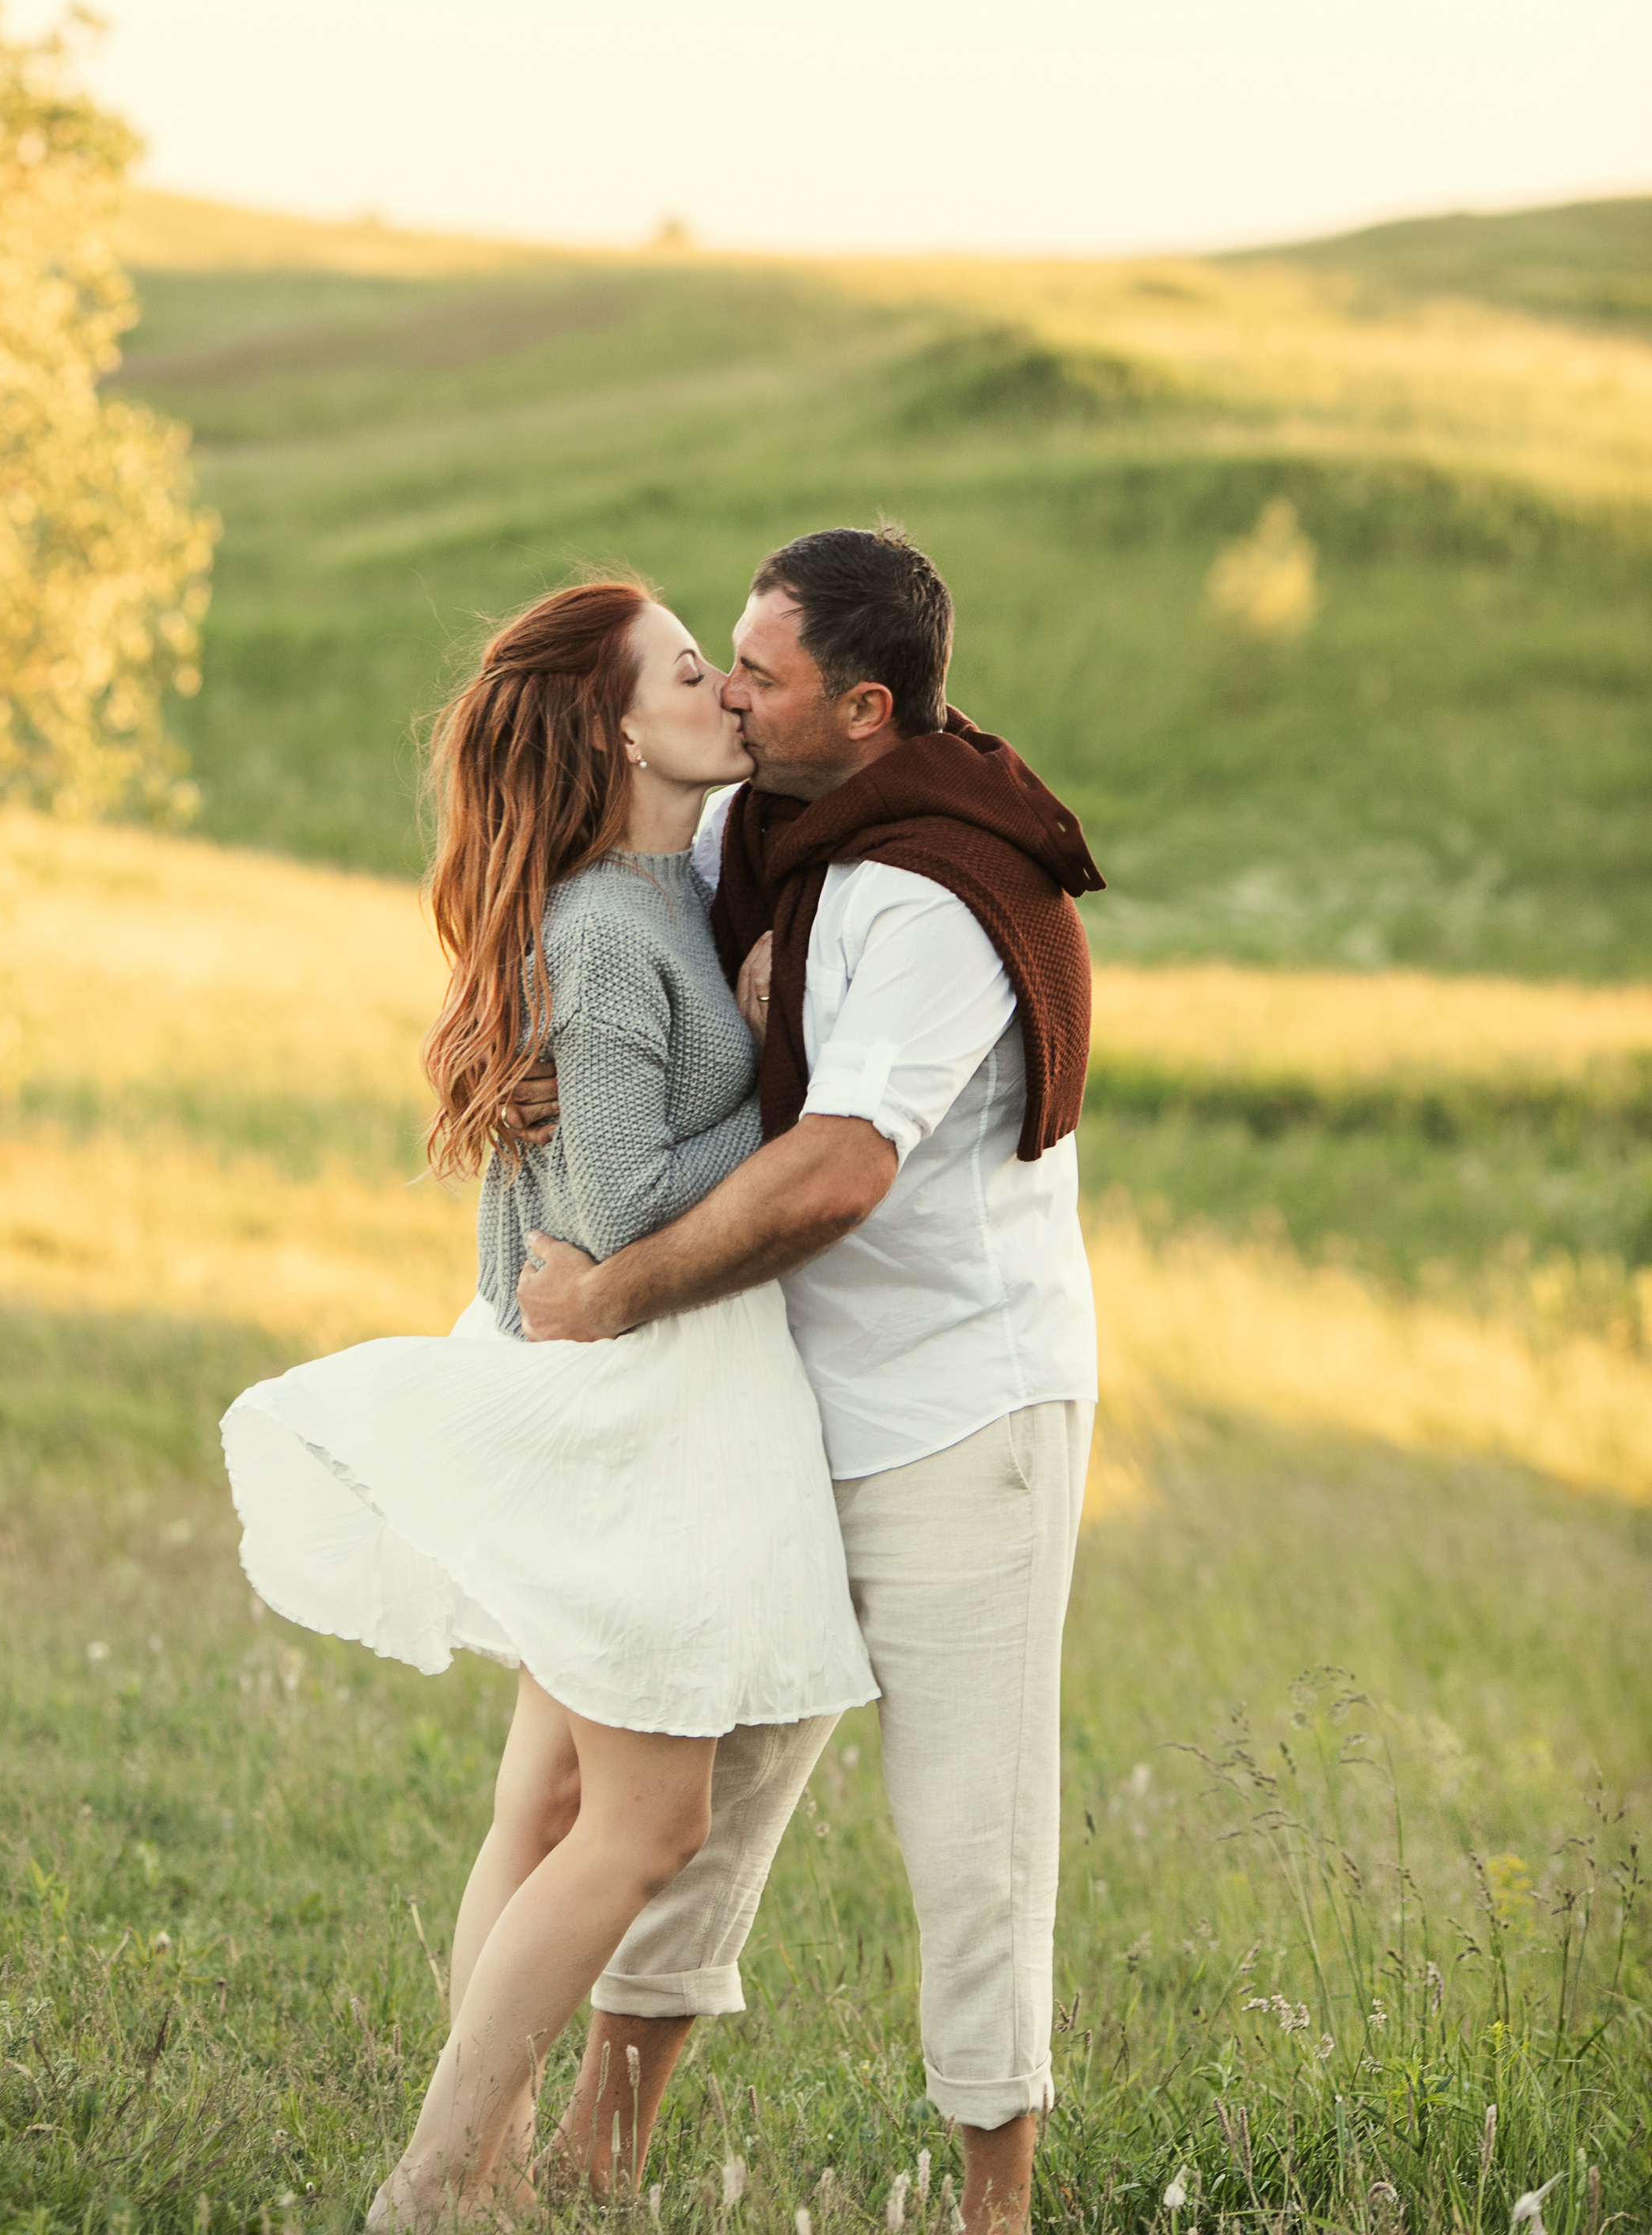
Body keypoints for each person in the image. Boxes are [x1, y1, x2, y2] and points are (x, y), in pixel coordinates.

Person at [219, 578, 877, 2225]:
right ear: (617, 732)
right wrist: (779, 1090)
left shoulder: (656, 895)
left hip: (637, 1391)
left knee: (549, 1805)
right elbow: (621, 1204)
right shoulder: (604, 928)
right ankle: (437, 2181)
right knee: (643, 1827)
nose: (728, 693)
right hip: (632, 1411)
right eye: (689, 672)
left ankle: (487, 2177)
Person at [517, 524, 1104, 2235]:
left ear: (863, 710)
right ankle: (594, 2161)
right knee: (692, 1797)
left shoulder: (936, 892)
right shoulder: (759, 829)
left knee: (971, 1830)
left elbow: (841, 1167)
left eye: (759, 677)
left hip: (958, 1414)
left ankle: (991, 2205)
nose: (730, 695)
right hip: (773, 1395)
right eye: (725, 660)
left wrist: (607, 1294)